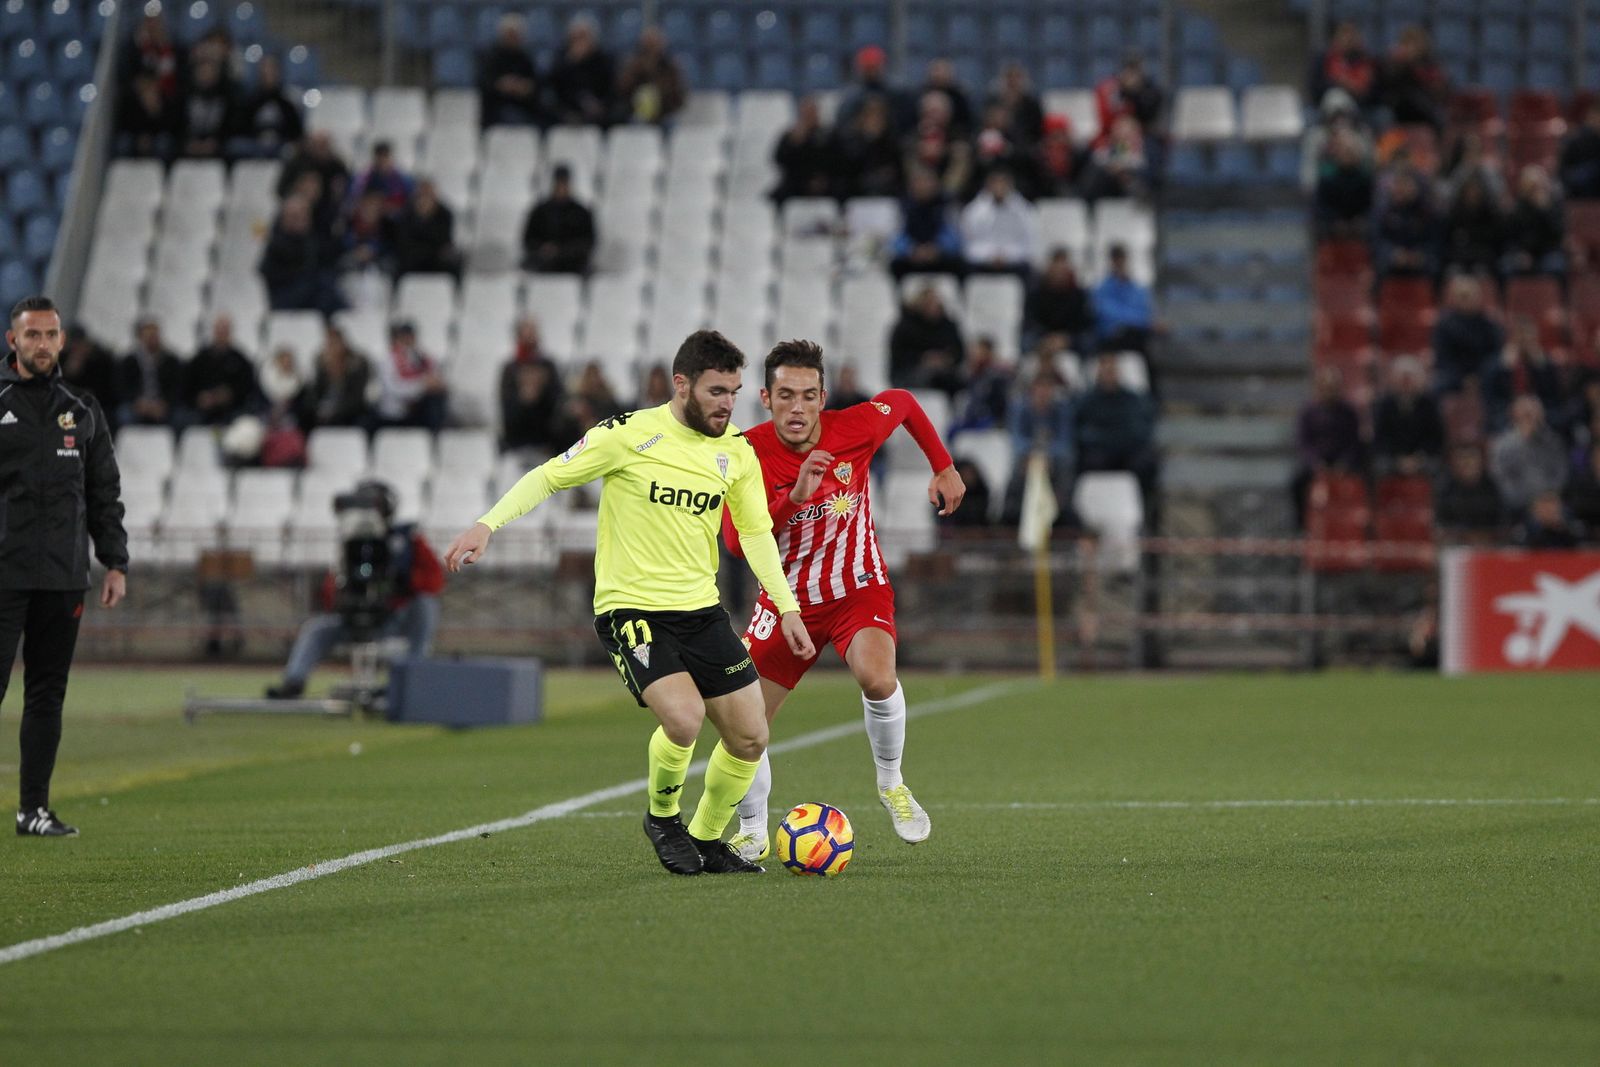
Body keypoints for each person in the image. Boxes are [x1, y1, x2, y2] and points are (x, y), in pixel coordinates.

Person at [444, 330, 817, 876]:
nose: (726, 404)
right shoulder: (628, 434)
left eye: (734, 392)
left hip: (701, 611)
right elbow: (550, 476)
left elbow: (757, 535)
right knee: (686, 720)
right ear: (682, 384)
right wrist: (487, 524)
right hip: (632, 611)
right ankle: (663, 817)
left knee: (752, 735)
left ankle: (708, 838)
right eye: (716, 391)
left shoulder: (735, 452)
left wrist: (786, 608)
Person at [718, 339, 964, 862]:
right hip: (786, 605)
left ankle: (892, 784)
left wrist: (942, 466)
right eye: (786, 395)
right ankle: (754, 827)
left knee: (878, 677)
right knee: (744, 725)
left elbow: (902, 401)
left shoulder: (853, 427)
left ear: (823, 397)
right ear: (765, 396)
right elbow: (736, 545)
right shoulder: (745, 453)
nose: (798, 408)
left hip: (857, 587)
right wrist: (794, 499)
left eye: (809, 395)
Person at [2, 297, 129, 837]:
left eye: (51, 335)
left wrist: (115, 561)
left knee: (47, 693)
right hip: (2, 575)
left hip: (62, 575)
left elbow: (104, 492)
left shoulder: (81, 407)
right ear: (13, 341)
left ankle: (34, 810)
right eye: (32, 335)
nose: (43, 345)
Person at [266, 480, 443, 700]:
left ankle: (411, 679)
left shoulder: (408, 541)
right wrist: (344, 594)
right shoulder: (351, 545)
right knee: (317, 628)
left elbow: (434, 580)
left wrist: (403, 581)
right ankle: (294, 681)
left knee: (425, 605)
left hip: (395, 616)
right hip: (356, 615)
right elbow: (333, 589)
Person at [1489, 395, 1568, 517]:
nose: (1531, 418)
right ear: (1514, 415)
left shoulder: (1552, 441)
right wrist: (1523, 441)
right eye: (1526, 414)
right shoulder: (1502, 444)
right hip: (1519, 505)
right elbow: (1502, 478)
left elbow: (1560, 472)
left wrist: (1550, 497)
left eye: (1534, 414)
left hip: (1551, 502)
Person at [959, 167, 1040, 279]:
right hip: (983, 261)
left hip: (1014, 262)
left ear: (1010, 185)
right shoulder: (973, 211)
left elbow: (1029, 244)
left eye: (1003, 183)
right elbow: (968, 245)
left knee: (1028, 270)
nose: (999, 187)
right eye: (995, 183)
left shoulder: (1024, 210)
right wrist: (990, 256)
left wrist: (1007, 256)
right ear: (988, 186)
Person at [521, 164, 596, 274]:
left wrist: (563, 250)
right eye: (558, 183)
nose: (561, 187)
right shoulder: (540, 211)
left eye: (564, 183)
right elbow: (528, 240)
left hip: (572, 262)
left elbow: (588, 242)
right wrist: (543, 248)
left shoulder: (581, 212)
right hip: (545, 262)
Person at [374, 321, 447, 432]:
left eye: (410, 336)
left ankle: (437, 436)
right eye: (404, 336)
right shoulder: (387, 359)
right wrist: (423, 385)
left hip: (416, 410)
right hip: (394, 413)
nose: (408, 340)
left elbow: (434, 377)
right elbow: (393, 389)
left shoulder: (421, 357)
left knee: (437, 399)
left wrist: (432, 384)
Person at [184, 315, 257, 426]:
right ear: (214, 332)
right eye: (219, 330)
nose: (222, 334)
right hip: (202, 410)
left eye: (225, 331)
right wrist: (199, 398)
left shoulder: (240, 359)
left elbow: (247, 387)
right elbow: (188, 386)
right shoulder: (199, 359)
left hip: (232, 410)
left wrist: (230, 395)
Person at [116, 317, 186, 428]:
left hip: (163, 405)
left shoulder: (171, 360)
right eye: (148, 336)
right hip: (138, 405)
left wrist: (165, 404)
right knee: (124, 415)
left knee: (180, 417)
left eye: (154, 336)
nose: (152, 339)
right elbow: (122, 387)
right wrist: (138, 403)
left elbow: (178, 387)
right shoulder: (129, 360)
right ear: (140, 338)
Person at [548, 16, 616, 127]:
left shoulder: (603, 59)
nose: (580, 41)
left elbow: (610, 87)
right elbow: (555, 86)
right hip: (567, 109)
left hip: (598, 110)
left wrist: (599, 105)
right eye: (576, 37)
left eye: (583, 37)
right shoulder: (561, 58)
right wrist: (571, 62)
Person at [477, 14, 542, 129]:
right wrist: (501, 85)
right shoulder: (491, 57)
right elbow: (483, 82)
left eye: (516, 35)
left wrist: (524, 87)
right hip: (496, 110)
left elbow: (535, 84)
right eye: (509, 35)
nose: (513, 38)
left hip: (523, 108)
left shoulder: (525, 59)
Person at [392, 178, 462, 279]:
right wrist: (420, 219)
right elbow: (403, 241)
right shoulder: (407, 214)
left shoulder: (445, 214)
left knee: (455, 263)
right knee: (395, 265)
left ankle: (457, 294)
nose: (426, 198)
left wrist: (426, 221)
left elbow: (445, 240)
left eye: (429, 194)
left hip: (436, 257)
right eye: (423, 194)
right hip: (414, 257)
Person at [615, 26, 685, 125]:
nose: (651, 47)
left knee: (671, 123)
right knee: (635, 124)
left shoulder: (671, 67)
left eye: (654, 44)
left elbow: (679, 95)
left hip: (665, 112)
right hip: (637, 112)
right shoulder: (633, 64)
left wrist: (659, 94)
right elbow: (622, 89)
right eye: (648, 44)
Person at [1091, 243, 1154, 353]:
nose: (1119, 263)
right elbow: (1108, 314)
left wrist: (1140, 322)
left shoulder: (1137, 288)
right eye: (1116, 259)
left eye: (1122, 258)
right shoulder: (1101, 289)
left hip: (1135, 334)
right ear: (1110, 262)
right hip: (1110, 337)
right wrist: (1140, 322)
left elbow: (1145, 312)